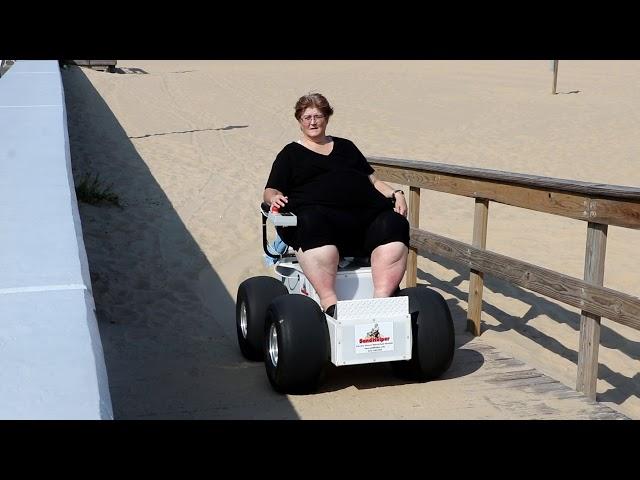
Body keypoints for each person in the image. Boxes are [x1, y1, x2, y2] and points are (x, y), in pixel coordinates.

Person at [263, 93, 410, 317]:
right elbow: (270, 190)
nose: (312, 122)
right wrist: (273, 198)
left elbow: (374, 180)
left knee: (394, 223)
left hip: (361, 219)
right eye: (307, 117)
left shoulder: (346, 147)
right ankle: (330, 303)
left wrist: (396, 193)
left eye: (318, 116)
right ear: (299, 121)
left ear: (327, 118)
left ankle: (381, 300)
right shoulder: (290, 154)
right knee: (312, 221)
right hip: (317, 220)